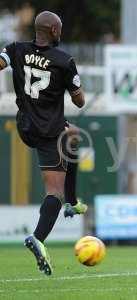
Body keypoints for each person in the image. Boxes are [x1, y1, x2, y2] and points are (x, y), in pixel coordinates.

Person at [0, 11, 87, 275]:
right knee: (54, 193)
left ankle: (73, 202)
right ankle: (38, 238)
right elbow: (79, 101)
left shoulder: (16, 49)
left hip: (25, 125)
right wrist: (74, 86)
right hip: (49, 131)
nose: (60, 33)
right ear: (52, 30)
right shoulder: (64, 60)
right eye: (59, 29)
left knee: (73, 135)